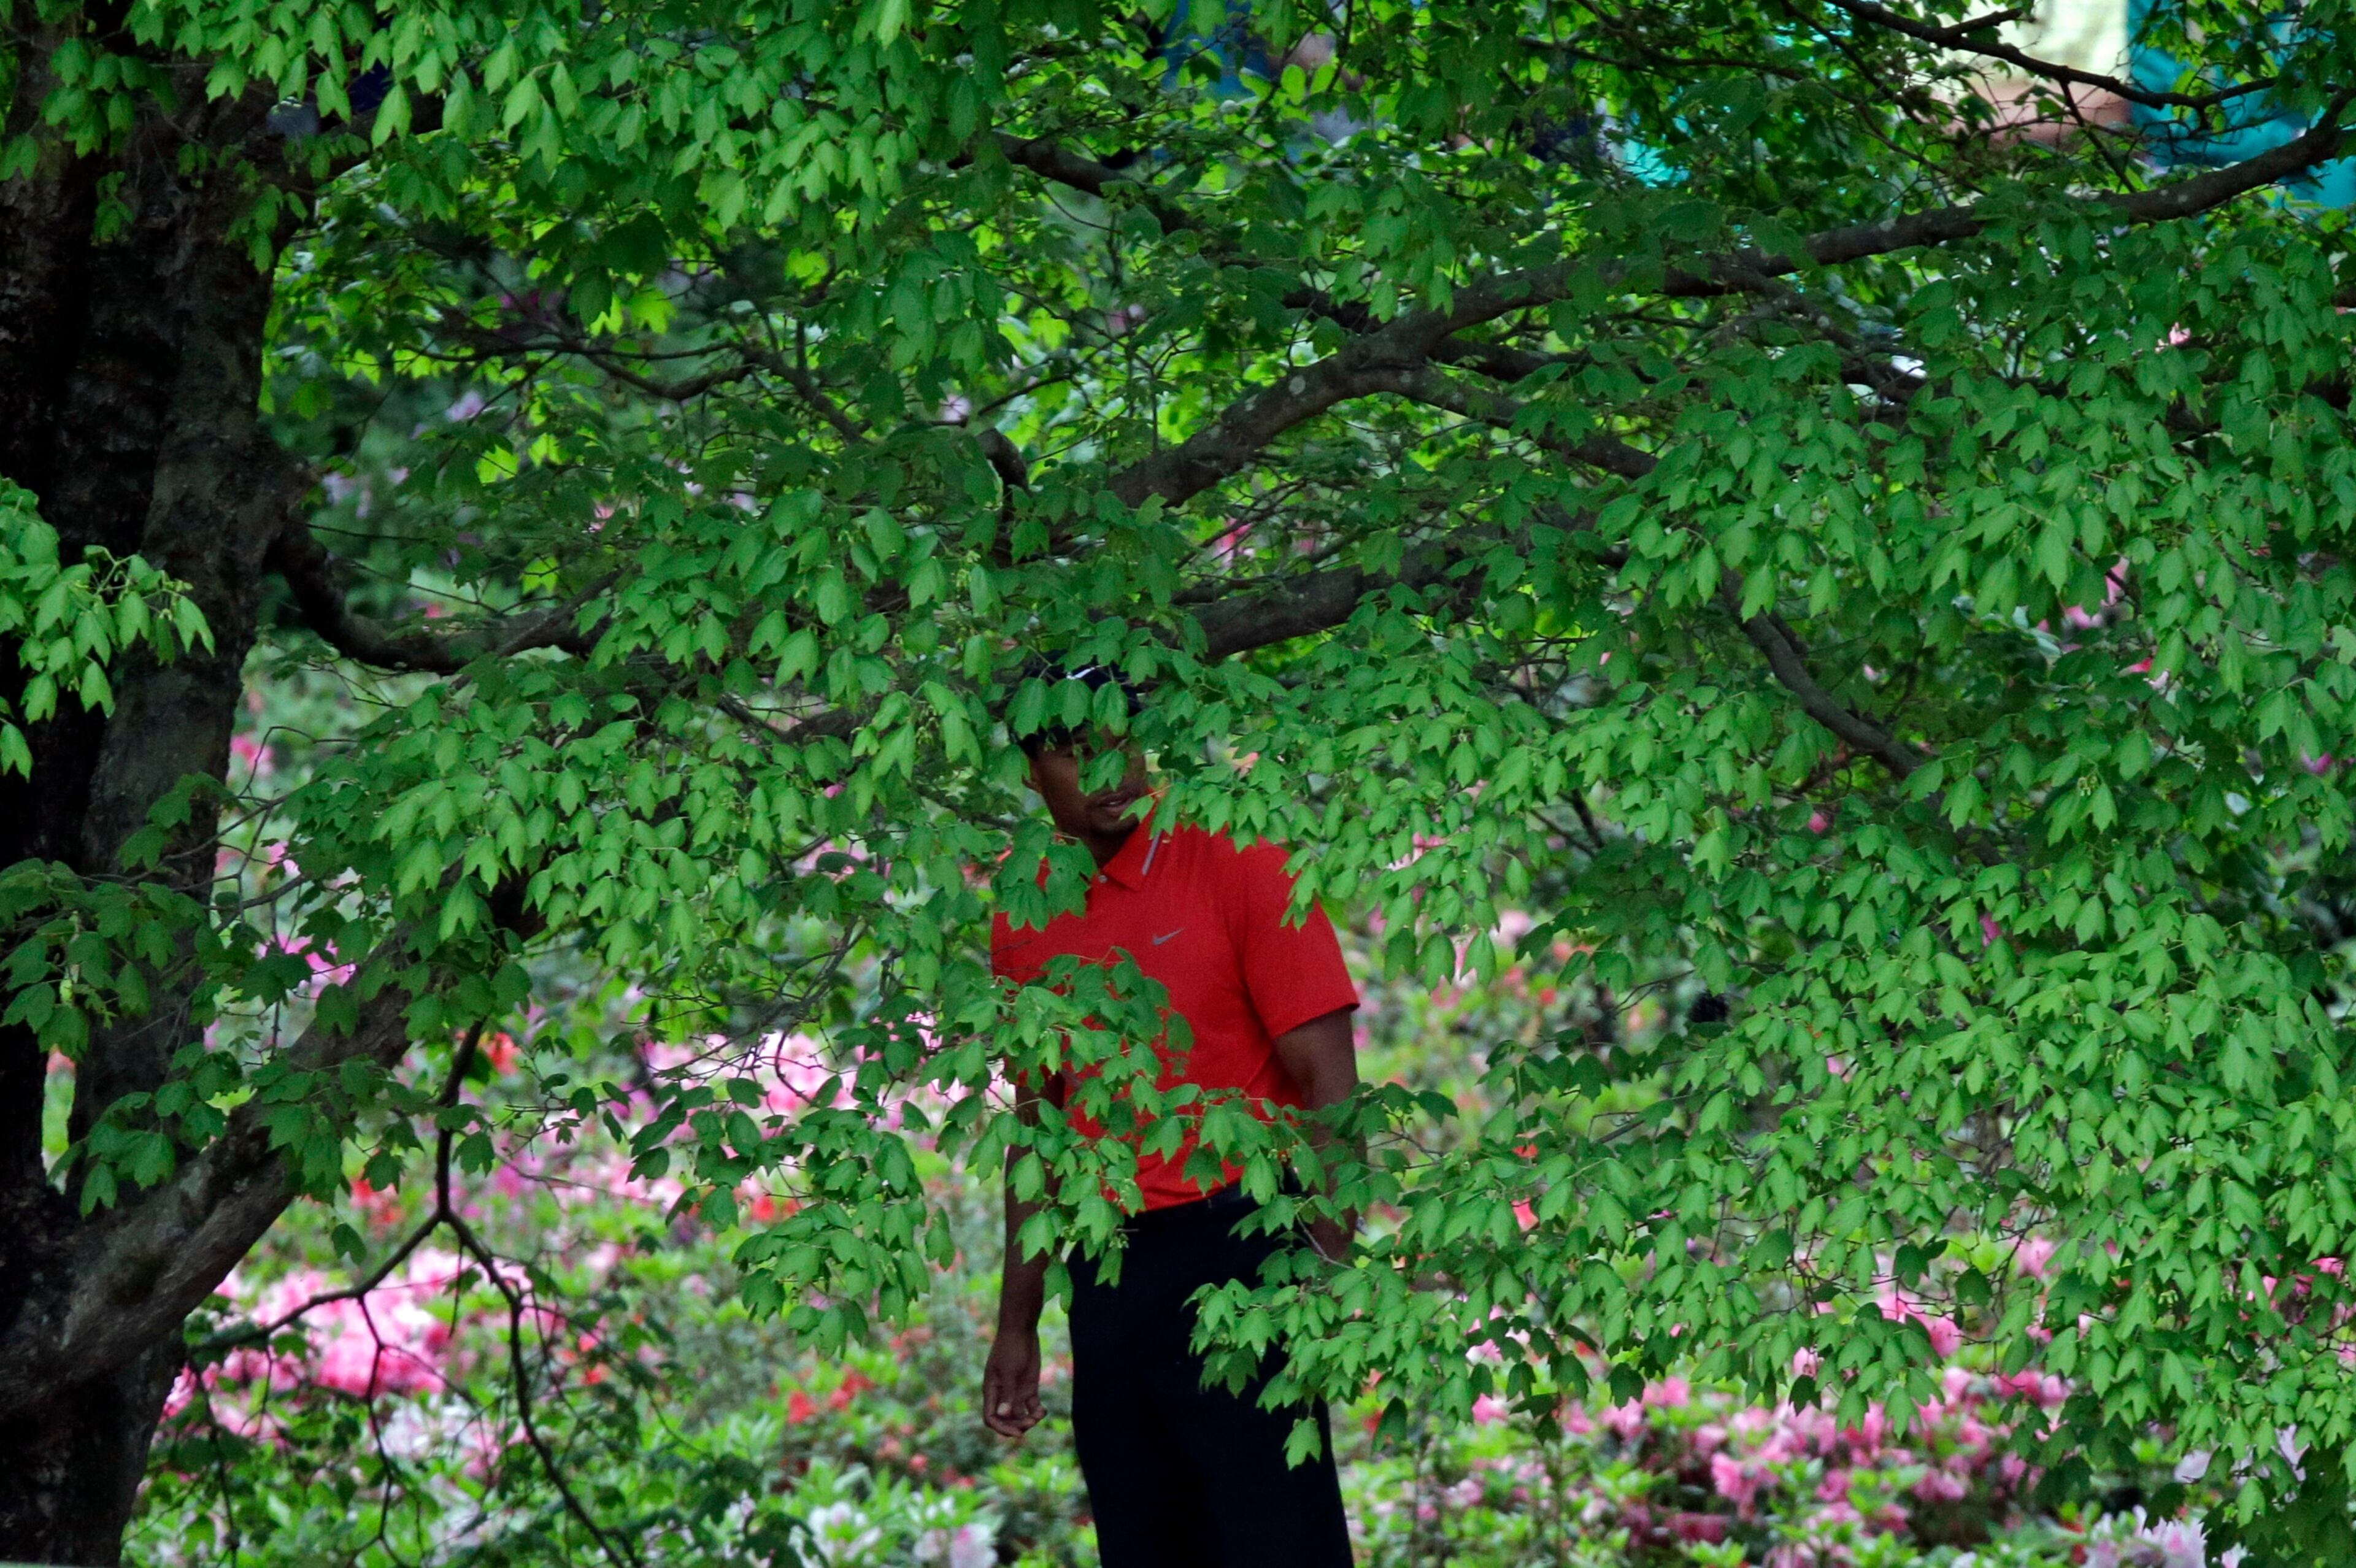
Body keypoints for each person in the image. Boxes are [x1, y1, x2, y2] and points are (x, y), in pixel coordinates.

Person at [980, 665, 1360, 1568]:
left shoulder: (1241, 856)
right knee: (1144, 1546)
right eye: (1076, 752)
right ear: (1032, 769)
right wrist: (1016, 1323)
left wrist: (1327, 1282)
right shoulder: (1026, 901)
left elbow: (1333, 1093)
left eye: (1122, 741)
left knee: (1277, 1549)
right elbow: (1038, 1131)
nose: (1108, 769)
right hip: (1108, 1270)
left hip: (1248, 1252)